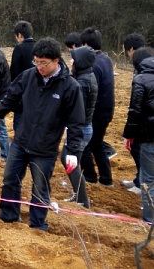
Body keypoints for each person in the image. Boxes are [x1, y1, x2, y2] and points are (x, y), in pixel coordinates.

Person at [0, 38, 85, 231]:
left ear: (56, 61)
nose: (39, 67)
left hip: (45, 148)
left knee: (40, 187)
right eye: (36, 62)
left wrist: (73, 151)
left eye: (44, 63)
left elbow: (76, 122)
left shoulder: (70, 87)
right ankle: (9, 214)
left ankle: (38, 224)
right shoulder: (28, 76)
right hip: (21, 141)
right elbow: (11, 97)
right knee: (10, 178)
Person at [61, 46, 97, 208]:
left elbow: (75, 108)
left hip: (81, 129)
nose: (71, 61)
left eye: (73, 59)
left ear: (80, 62)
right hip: (84, 127)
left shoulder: (82, 83)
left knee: (71, 162)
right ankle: (78, 195)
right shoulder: (86, 77)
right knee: (69, 159)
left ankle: (82, 200)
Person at [79, 27, 115, 187]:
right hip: (107, 110)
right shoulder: (106, 59)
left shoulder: (92, 64)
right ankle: (106, 179)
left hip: (96, 113)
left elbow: (92, 92)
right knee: (97, 143)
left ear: (86, 45)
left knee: (86, 145)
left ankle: (90, 177)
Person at [122, 47, 154, 222]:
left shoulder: (141, 79)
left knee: (148, 179)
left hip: (149, 136)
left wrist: (129, 135)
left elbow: (134, 111)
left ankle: (149, 220)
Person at [121, 33, 147, 193]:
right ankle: (138, 179)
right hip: (142, 117)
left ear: (131, 49)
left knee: (138, 149)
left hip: (144, 120)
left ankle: (141, 184)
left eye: (127, 51)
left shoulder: (142, 69)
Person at [9, 20, 36, 131]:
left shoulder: (19, 48)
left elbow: (14, 71)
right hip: (38, 91)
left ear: (19, 35)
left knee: (19, 123)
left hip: (22, 91)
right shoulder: (39, 46)